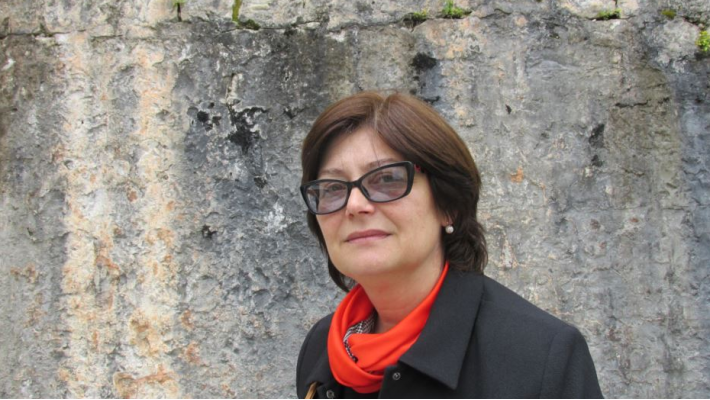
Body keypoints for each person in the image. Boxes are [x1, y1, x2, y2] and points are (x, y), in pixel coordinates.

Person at [296, 91, 603, 399]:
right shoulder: (322, 347)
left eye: (387, 179)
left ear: (448, 205)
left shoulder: (543, 357)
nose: (354, 205)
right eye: (332, 188)